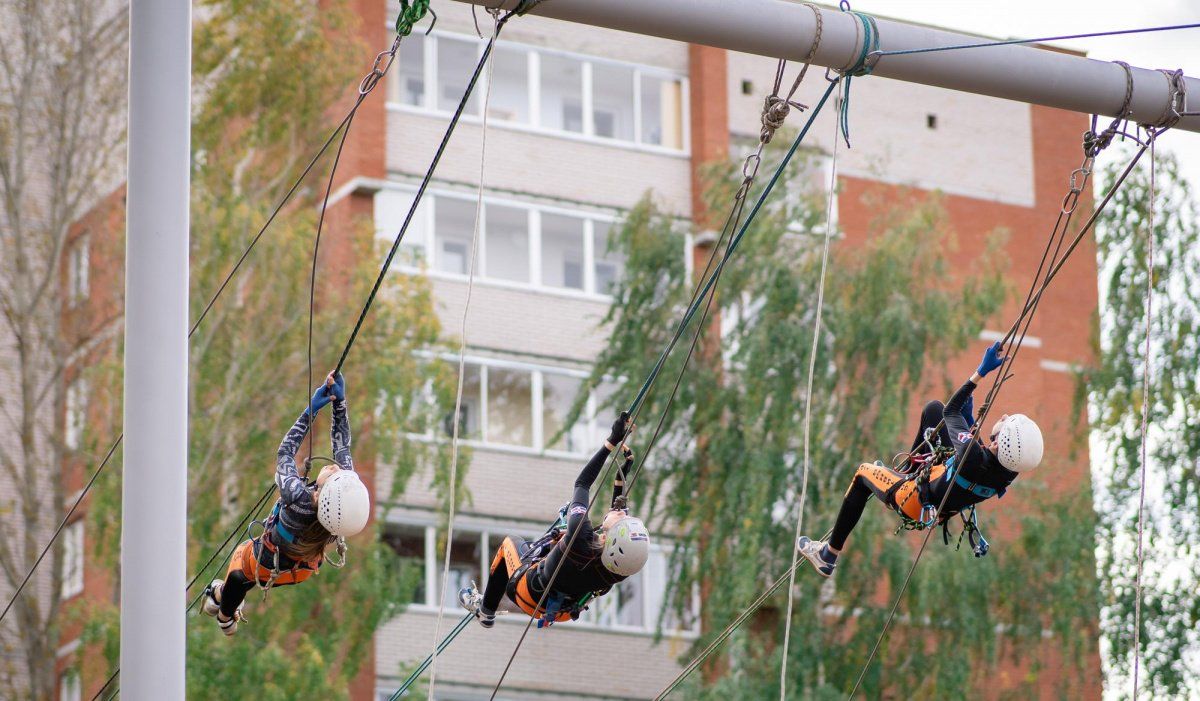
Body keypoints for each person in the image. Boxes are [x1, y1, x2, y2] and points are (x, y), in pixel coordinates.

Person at [796, 342, 1044, 578]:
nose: (1003, 415)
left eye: (1005, 423)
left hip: (915, 499)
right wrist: (968, 421)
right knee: (933, 410)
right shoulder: (1008, 471)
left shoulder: (972, 454)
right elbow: (976, 454)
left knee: (862, 473)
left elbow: (952, 412)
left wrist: (980, 373)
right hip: (945, 491)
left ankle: (828, 554)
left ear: (999, 443)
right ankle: (907, 469)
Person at [200, 371, 370, 635]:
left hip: (268, 558)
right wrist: (339, 404)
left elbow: (286, 451)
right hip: (301, 568)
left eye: (332, 474)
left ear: (322, 494)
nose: (334, 468)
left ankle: (223, 612)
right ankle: (222, 597)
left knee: (239, 572)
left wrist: (310, 410)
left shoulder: (297, 497)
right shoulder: (338, 508)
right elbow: (342, 449)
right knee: (250, 578)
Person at [458, 412, 650, 628]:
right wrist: (620, 481)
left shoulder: (580, 536)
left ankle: (486, 611)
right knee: (552, 549)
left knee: (509, 544)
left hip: (526, 594)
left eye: (620, 521)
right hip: (561, 612)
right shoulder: (619, 569)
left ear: (612, 540)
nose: (622, 514)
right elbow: (619, 524)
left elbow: (583, 483)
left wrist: (611, 441)